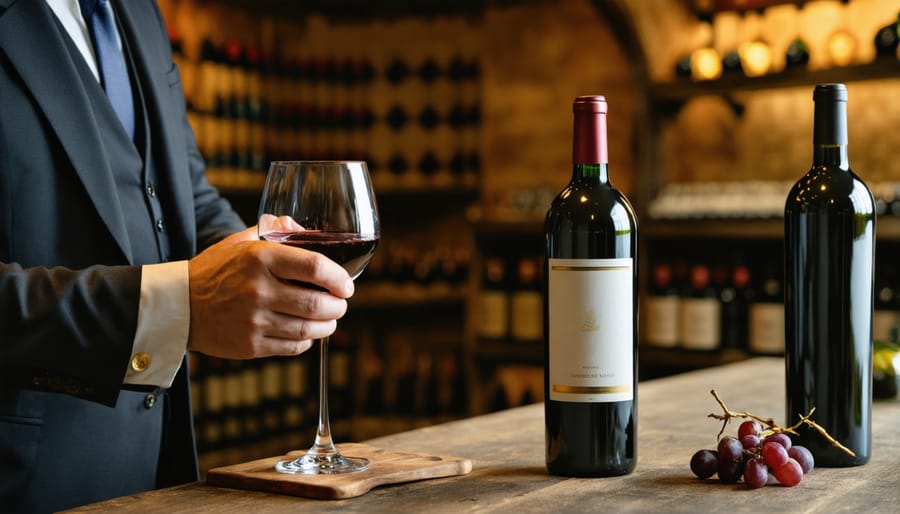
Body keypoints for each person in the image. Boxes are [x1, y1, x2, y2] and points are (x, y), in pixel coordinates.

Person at [0, 1, 353, 512]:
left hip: (156, 476)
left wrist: (259, 263)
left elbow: (184, 195)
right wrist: (173, 307)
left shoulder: (138, 11)